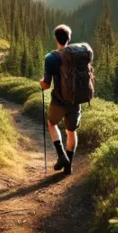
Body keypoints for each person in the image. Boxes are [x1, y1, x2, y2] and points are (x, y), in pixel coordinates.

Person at [40, 24, 81, 175]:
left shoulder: (51, 58)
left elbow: (46, 85)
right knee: (71, 132)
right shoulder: (79, 55)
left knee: (51, 123)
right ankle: (68, 166)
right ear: (69, 38)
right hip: (75, 101)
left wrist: (41, 83)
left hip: (58, 101)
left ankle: (61, 155)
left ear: (56, 38)